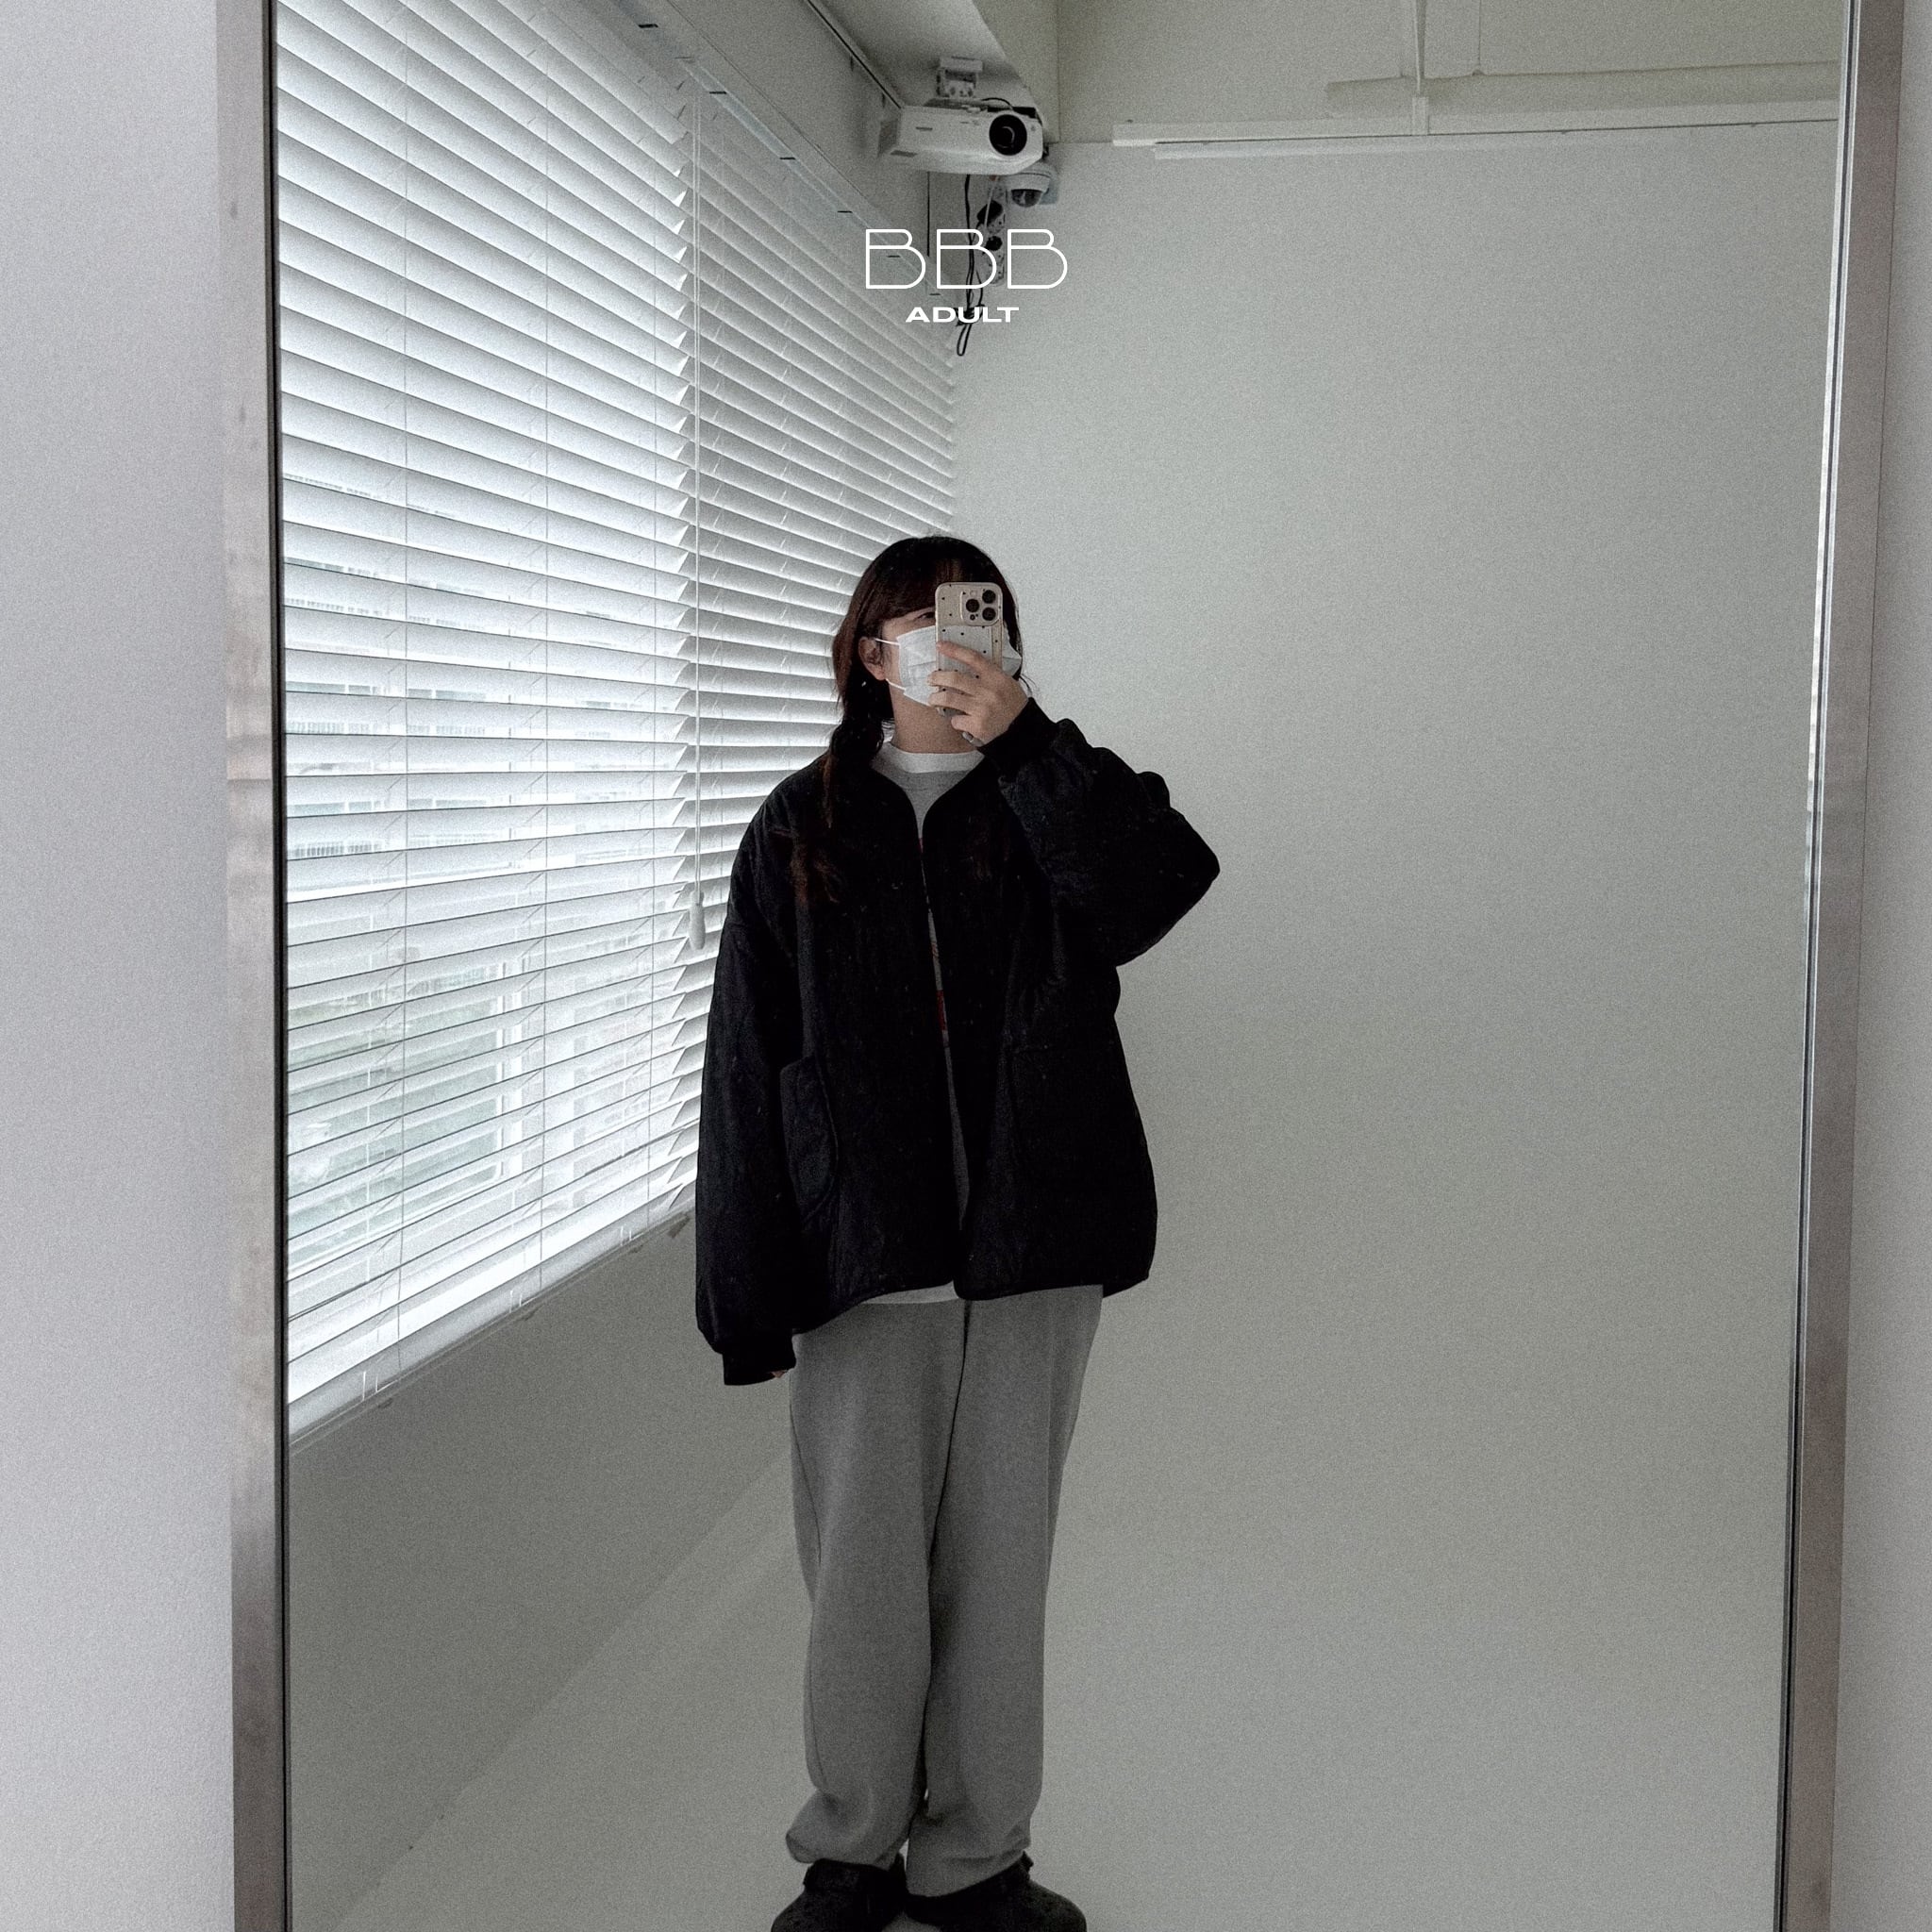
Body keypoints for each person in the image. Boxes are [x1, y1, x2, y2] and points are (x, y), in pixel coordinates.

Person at [695, 535, 1220, 1932]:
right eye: (923, 626)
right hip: (864, 1263)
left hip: (1035, 1252)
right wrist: (746, 1286)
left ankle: (979, 1857)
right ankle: (852, 1852)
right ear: (874, 654)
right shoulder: (798, 825)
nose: (954, 645)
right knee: (860, 1586)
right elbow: (746, 1059)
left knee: (1001, 1574)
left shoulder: (1046, 797)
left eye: (978, 620)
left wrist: (1028, 742)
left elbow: (1158, 889)